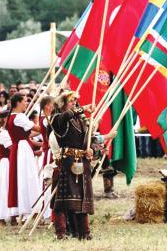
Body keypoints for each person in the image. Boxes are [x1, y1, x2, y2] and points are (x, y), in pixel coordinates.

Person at [50, 91, 116, 240]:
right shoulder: (58, 119)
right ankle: (60, 233)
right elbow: (64, 117)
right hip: (68, 163)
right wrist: (84, 108)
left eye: (75, 101)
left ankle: (84, 233)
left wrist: (92, 149)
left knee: (83, 199)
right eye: (71, 101)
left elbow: (90, 139)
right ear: (63, 104)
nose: (74, 103)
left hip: (83, 163)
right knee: (63, 200)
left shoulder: (82, 120)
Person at [6, 94, 42, 222]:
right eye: (25, 101)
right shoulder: (20, 117)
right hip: (22, 149)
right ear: (18, 103)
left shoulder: (13, 117)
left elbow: (29, 132)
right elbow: (37, 128)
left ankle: (27, 209)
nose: (27, 104)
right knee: (28, 177)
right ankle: (29, 208)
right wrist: (46, 121)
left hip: (20, 146)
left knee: (23, 177)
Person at [0, 110, 14, 224]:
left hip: (9, 162)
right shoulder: (4, 133)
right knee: (4, 188)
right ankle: (2, 216)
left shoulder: (7, 131)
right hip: (5, 163)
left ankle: (12, 215)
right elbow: (11, 148)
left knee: (10, 188)